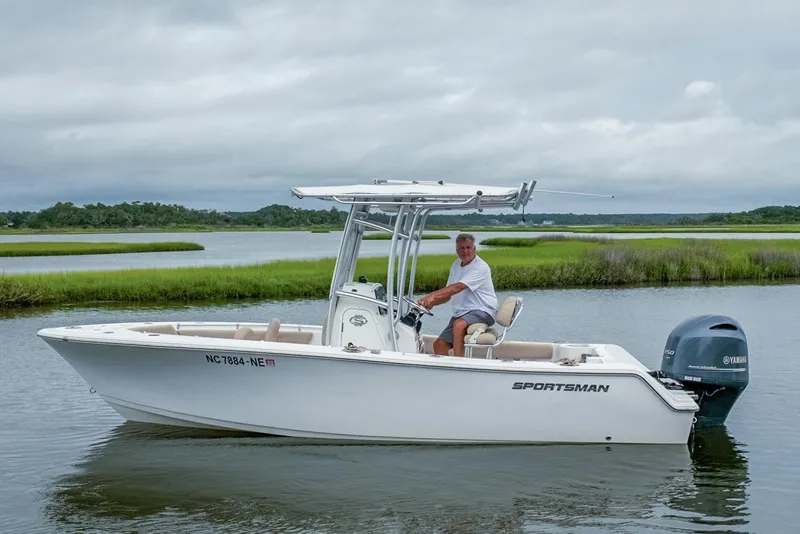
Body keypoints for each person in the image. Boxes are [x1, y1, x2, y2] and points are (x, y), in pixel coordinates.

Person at [417, 233, 498, 356]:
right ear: (457, 251)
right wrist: (431, 303)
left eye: (468, 247)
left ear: (474, 249)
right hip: (462, 313)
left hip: (484, 310)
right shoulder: (456, 265)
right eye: (462, 248)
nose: (465, 251)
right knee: (439, 345)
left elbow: (458, 287)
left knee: (459, 325)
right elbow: (448, 294)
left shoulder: (480, 267)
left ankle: (460, 363)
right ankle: (448, 373)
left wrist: (430, 296)